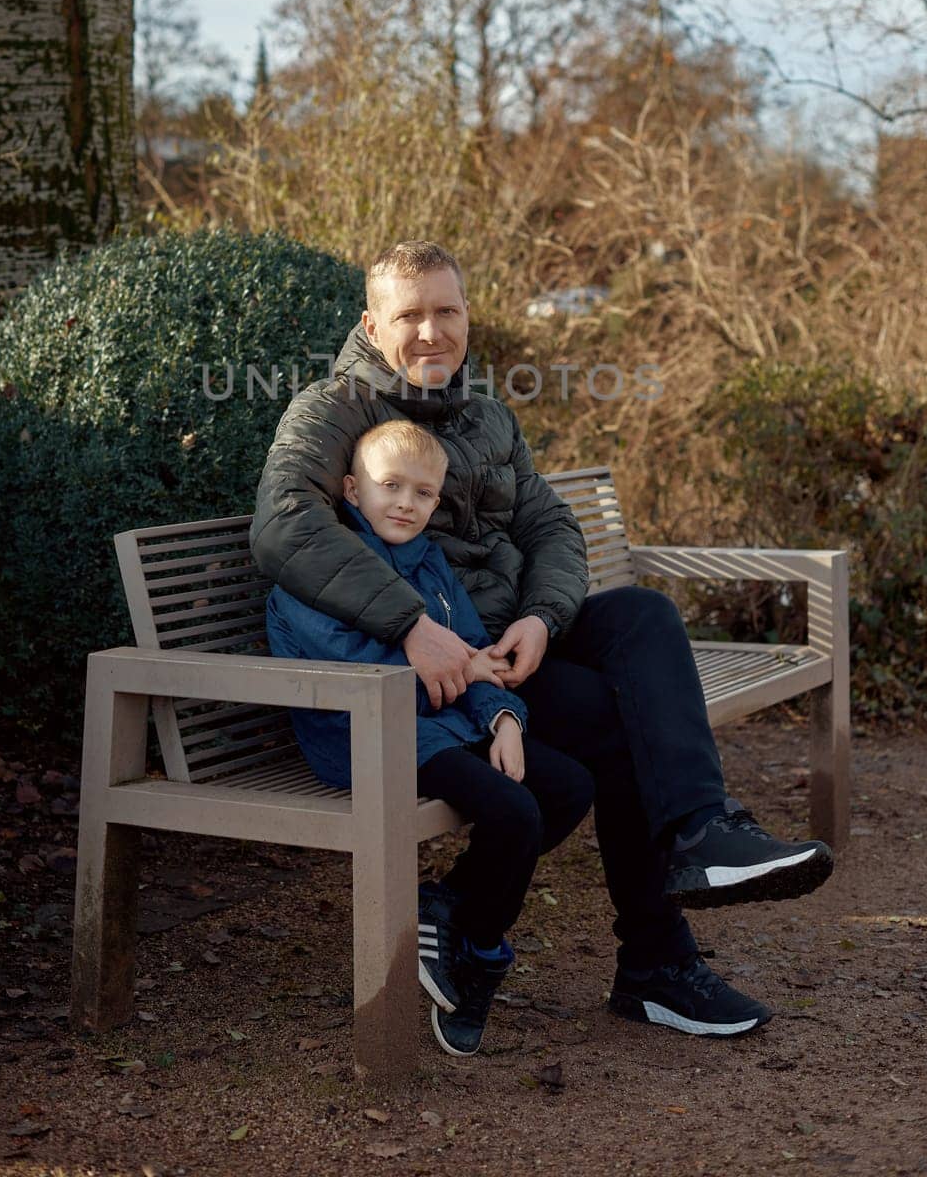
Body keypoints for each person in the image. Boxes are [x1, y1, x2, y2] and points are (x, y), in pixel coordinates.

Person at [252, 239, 834, 1039]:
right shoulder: (333, 410)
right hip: (426, 665)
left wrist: (542, 619)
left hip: (508, 647)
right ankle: (656, 966)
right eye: (409, 315)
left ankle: (705, 831)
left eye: (446, 311)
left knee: (645, 617)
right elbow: (284, 529)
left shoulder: (488, 416)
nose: (431, 332)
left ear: (467, 316)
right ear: (371, 322)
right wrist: (413, 626)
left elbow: (551, 524)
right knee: (618, 718)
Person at [266, 418, 594, 1057]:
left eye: (422, 493)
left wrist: (503, 718)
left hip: (441, 726)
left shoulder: (431, 564)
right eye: (391, 487)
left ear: (436, 502)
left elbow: (472, 654)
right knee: (513, 811)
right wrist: (461, 672)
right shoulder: (317, 571)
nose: (406, 503)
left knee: (568, 787)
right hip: (362, 737)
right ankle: (481, 955)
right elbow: (361, 675)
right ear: (352, 491)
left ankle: (446, 910)